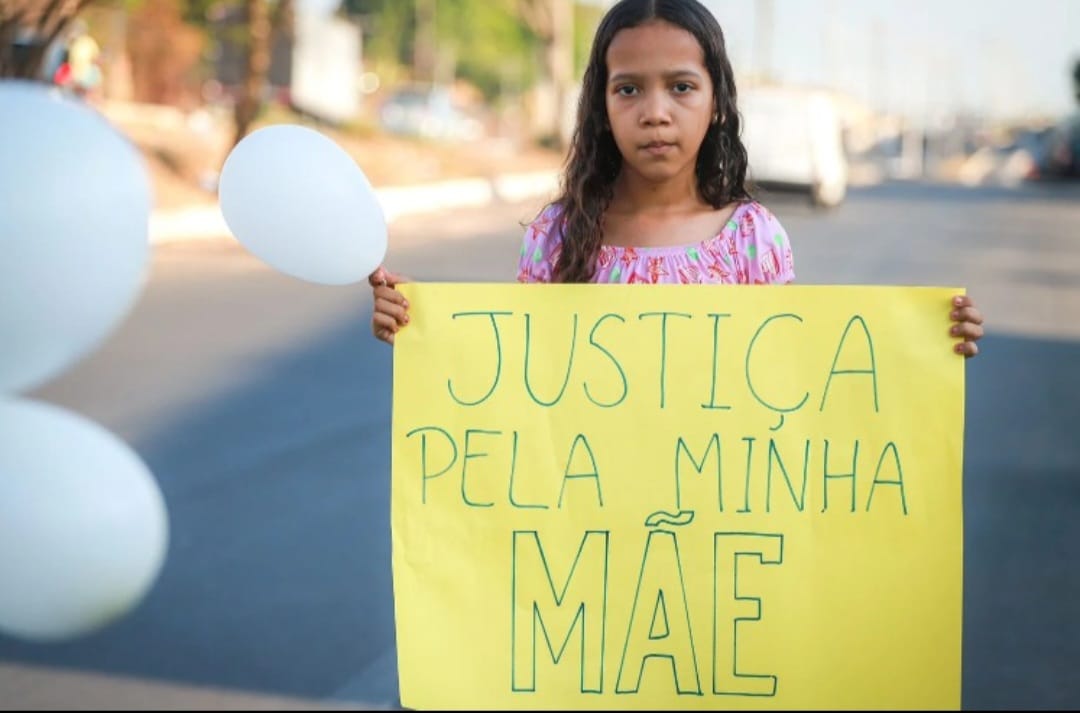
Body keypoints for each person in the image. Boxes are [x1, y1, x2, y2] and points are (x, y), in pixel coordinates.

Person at [369, 0, 984, 356]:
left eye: (681, 87)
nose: (655, 111)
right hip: (586, 532)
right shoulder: (558, 237)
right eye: (629, 88)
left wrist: (929, 344)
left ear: (715, 101)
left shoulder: (752, 240)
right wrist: (421, 329)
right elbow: (520, 372)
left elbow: (794, 376)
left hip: (714, 546)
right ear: (602, 107)